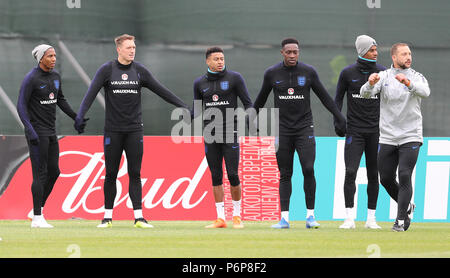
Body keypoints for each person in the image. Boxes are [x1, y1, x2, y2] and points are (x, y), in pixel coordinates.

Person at [74, 34, 189, 228]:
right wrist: (80, 115)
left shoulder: (139, 71)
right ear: (118, 49)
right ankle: (107, 218)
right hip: (113, 131)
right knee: (111, 173)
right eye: (128, 47)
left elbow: (162, 90)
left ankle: (139, 217)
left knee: (135, 173)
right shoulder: (107, 70)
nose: (132, 50)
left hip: (134, 130)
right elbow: (90, 94)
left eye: (134, 47)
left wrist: (183, 106)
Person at [253, 38, 347, 229]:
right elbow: (260, 100)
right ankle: (284, 219)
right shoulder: (272, 74)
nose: (293, 55)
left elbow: (325, 98)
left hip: (305, 129)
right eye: (289, 52)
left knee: (308, 169)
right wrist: (250, 118)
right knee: (285, 174)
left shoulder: (308, 72)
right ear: (282, 53)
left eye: (295, 52)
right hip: (283, 130)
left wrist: (339, 117)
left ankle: (310, 217)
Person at [360, 42, 430, 232]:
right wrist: (370, 83)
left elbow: (425, 92)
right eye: (404, 54)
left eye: (409, 53)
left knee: (405, 174)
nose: (408, 57)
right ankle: (406, 205)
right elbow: (364, 94)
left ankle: (400, 220)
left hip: (410, 135)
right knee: (385, 179)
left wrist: (408, 84)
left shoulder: (416, 76)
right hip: (388, 137)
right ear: (394, 57)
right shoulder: (384, 76)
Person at [17, 44, 82, 228]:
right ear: (40, 59)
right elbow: (21, 106)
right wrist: (29, 129)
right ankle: (37, 218)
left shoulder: (55, 77)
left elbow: (60, 99)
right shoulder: (31, 78)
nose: (54, 59)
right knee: (40, 174)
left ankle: (36, 210)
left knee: (55, 172)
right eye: (50, 56)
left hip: (51, 132)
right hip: (37, 132)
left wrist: (75, 117)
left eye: (55, 56)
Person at [192, 47, 253, 229]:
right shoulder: (199, 83)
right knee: (216, 175)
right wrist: (188, 114)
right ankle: (220, 218)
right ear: (207, 61)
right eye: (216, 59)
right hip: (210, 134)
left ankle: (237, 216)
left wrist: (251, 119)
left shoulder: (235, 78)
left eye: (222, 58)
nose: (220, 62)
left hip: (230, 132)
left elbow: (248, 103)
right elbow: (196, 108)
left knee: (233, 174)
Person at [334, 35, 386, 229]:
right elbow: (337, 100)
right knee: (350, 172)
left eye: (376, 49)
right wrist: (338, 121)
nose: (376, 53)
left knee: (374, 174)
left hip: (376, 132)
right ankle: (349, 218)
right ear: (363, 51)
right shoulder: (347, 73)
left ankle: (371, 219)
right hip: (354, 131)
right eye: (372, 50)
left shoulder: (383, 72)